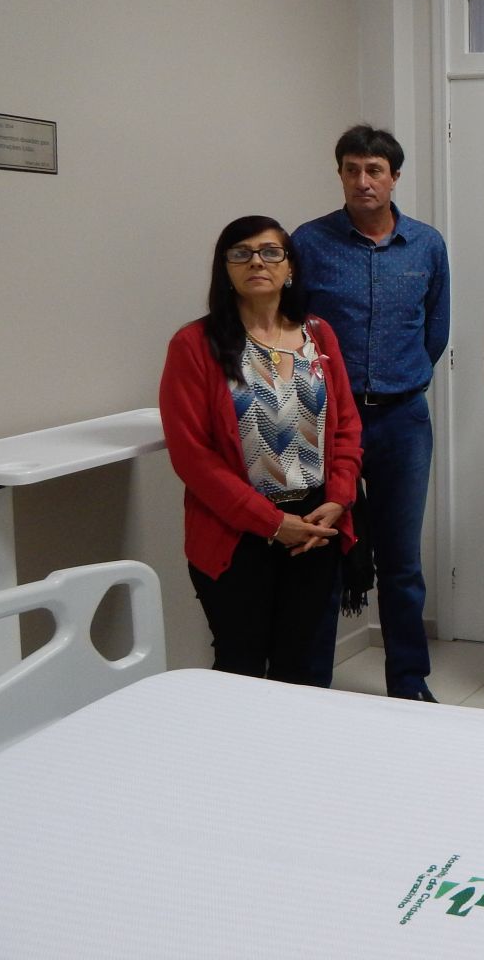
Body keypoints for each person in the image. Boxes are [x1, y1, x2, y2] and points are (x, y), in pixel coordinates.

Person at [160, 216, 362, 686]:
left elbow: (347, 427)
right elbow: (192, 456)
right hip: (237, 532)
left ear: (289, 266)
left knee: (306, 670)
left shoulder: (319, 335)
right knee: (240, 669)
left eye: (270, 252)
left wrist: (339, 498)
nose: (257, 262)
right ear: (225, 268)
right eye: (241, 253)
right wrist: (271, 523)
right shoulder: (194, 345)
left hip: (315, 526)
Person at [292, 125, 450, 701]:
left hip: (402, 420)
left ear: (394, 177)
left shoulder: (426, 245)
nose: (363, 181)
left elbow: (435, 331)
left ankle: (408, 685)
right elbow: (292, 326)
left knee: (402, 561)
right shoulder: (309, 242)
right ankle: (312, 683)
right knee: (322, 550)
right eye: (352, 169)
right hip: (325, 422)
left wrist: (399, 378)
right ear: (340, 174)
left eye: (375, 170)